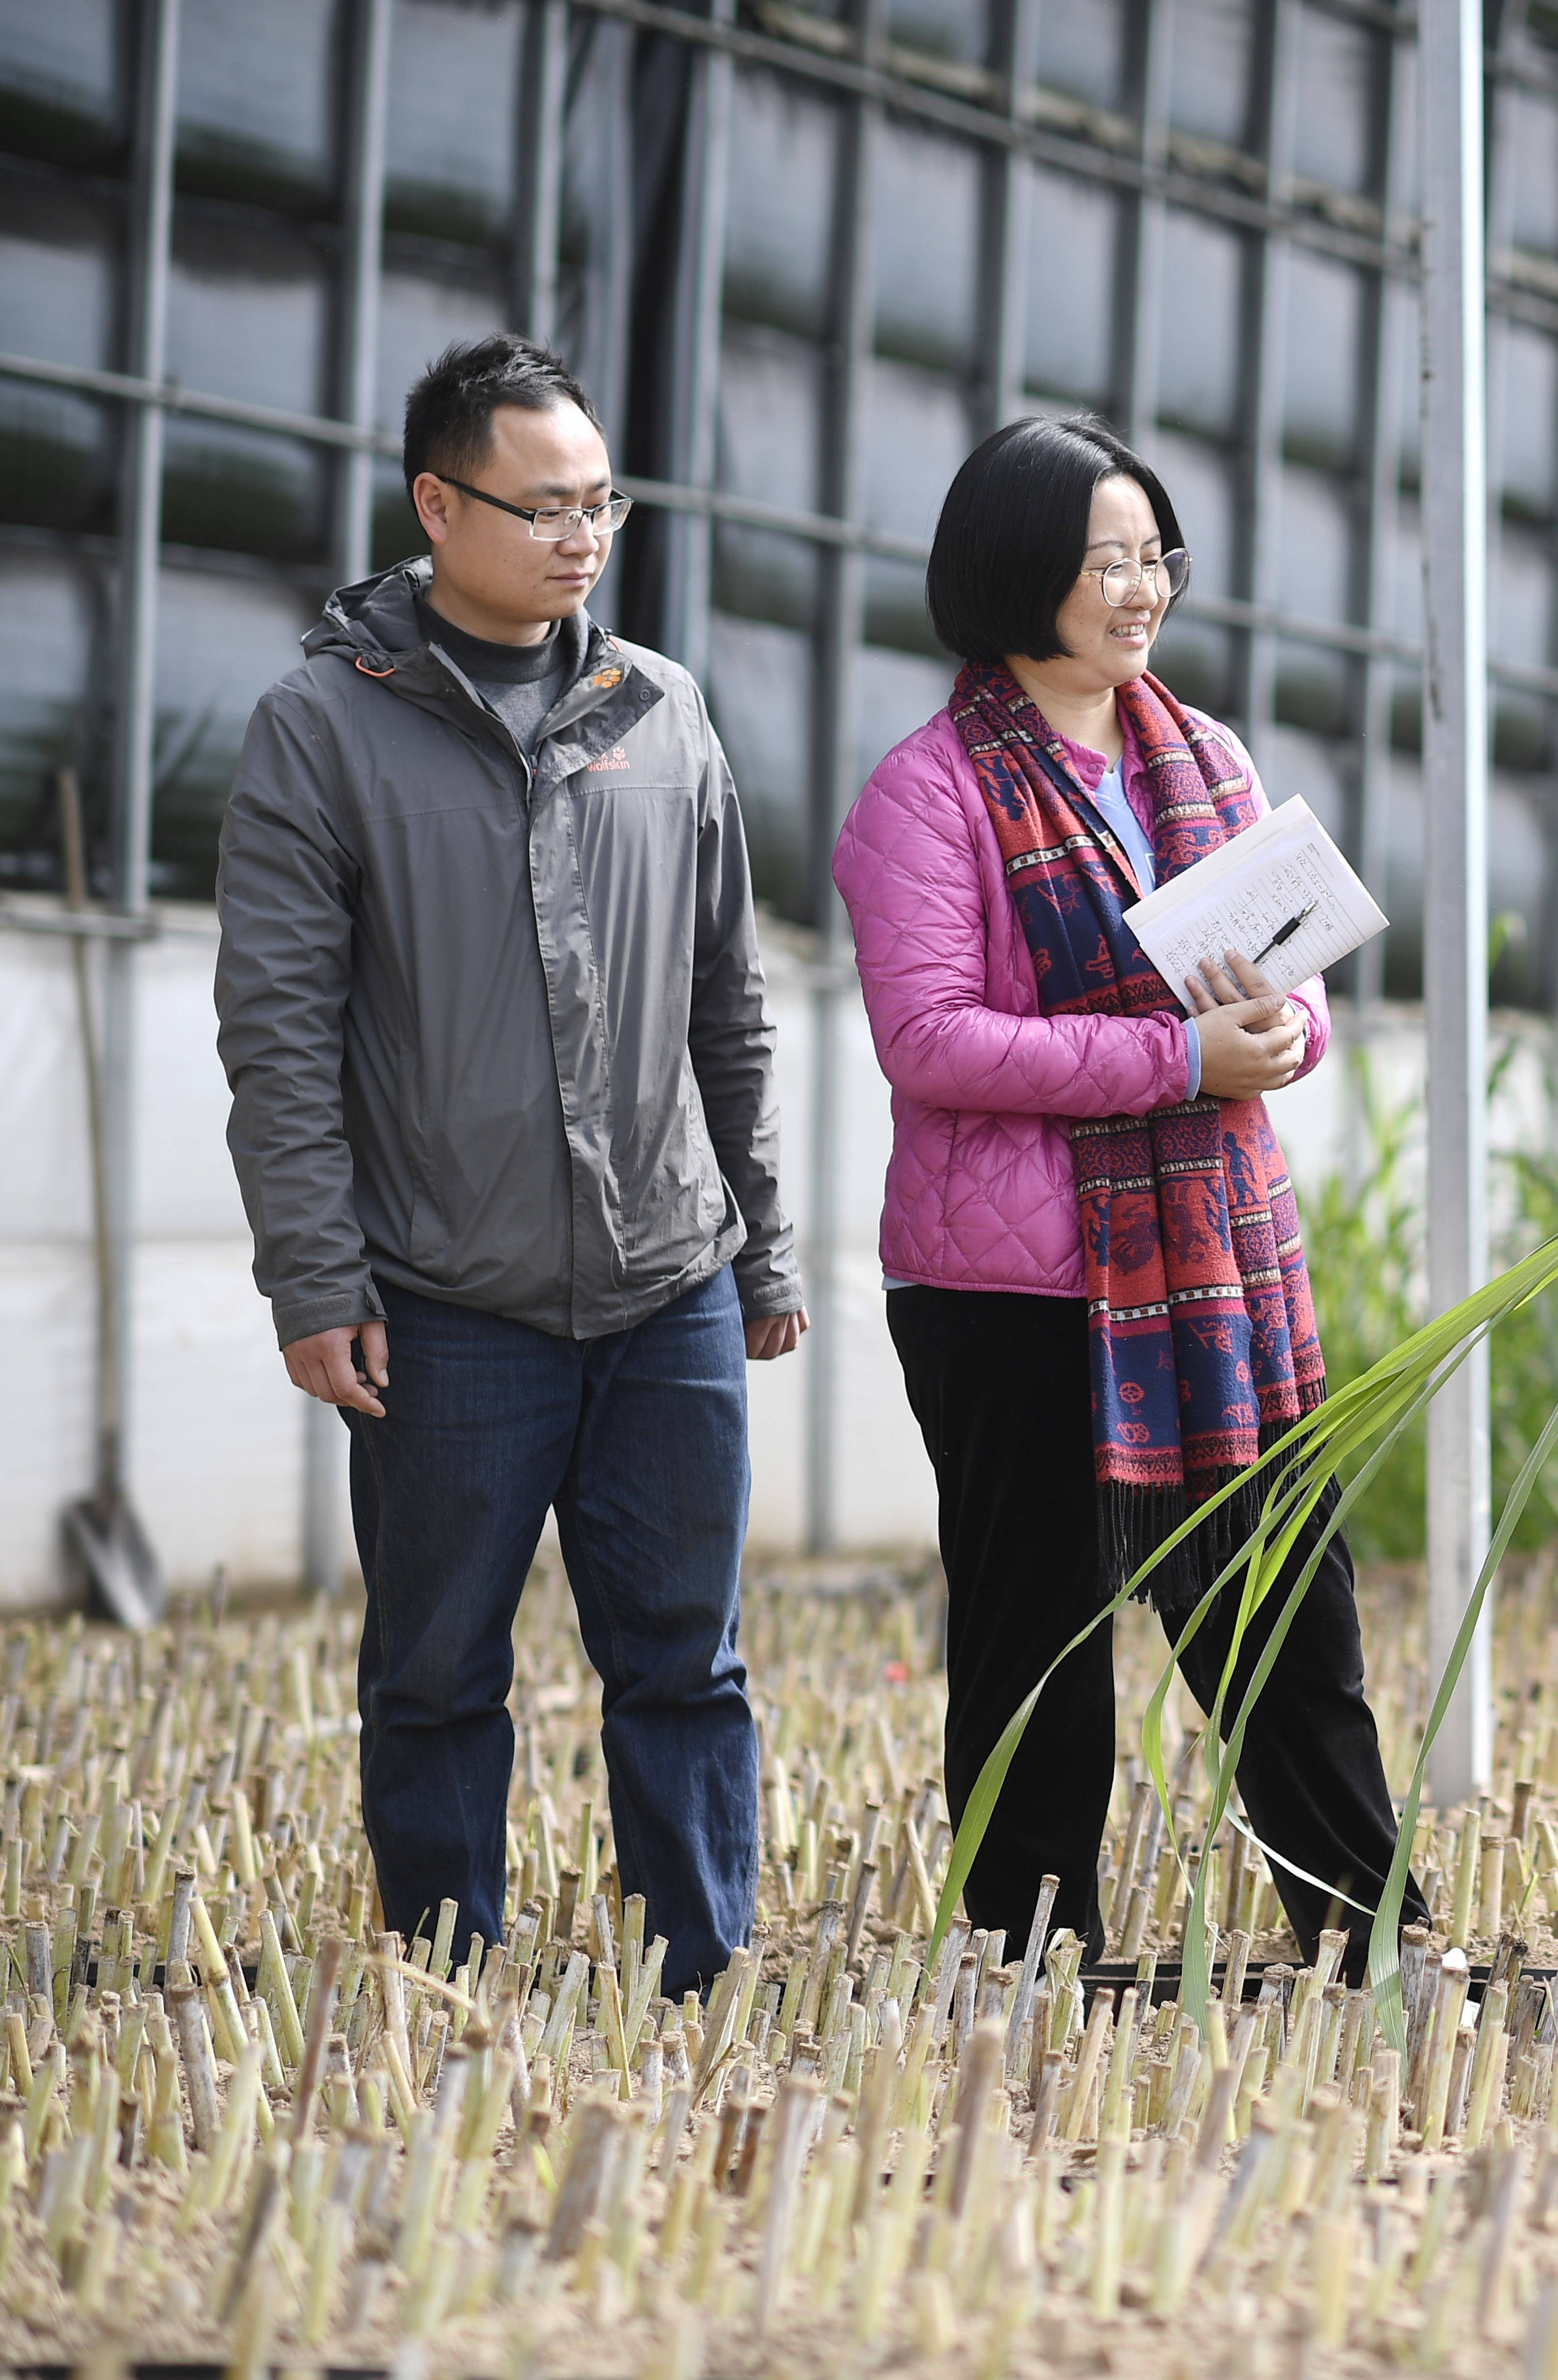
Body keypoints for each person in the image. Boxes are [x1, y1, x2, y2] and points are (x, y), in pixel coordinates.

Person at [217, 332, 800, 1995]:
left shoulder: (664, 712)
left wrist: (759, 1251)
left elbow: (730, 1011)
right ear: (434, 503)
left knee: (687, 1661)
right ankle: (442, 1979)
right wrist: (316, 1280)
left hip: (664, 1289)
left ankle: (704, 1968)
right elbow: (278, 1038)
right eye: (542, 503)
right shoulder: (323, 729)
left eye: (602, 502)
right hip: (445, 1304)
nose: (580, 534)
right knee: (435, 1672)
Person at [835, 413, 1418, 1971]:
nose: (1142, 587)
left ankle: (1371, 1935)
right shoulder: (928, 790)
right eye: (1109, 559)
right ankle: (1029, 1959)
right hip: (1010, 1292)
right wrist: (1178, 1060)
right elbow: (933, 1039)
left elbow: (1295, 984)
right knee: (1035, 1643)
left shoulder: (1202, 755)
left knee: (1289, 1614)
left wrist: (1282, 1033)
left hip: (1212, 1267)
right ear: (1018, 571)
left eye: (1156, 554)